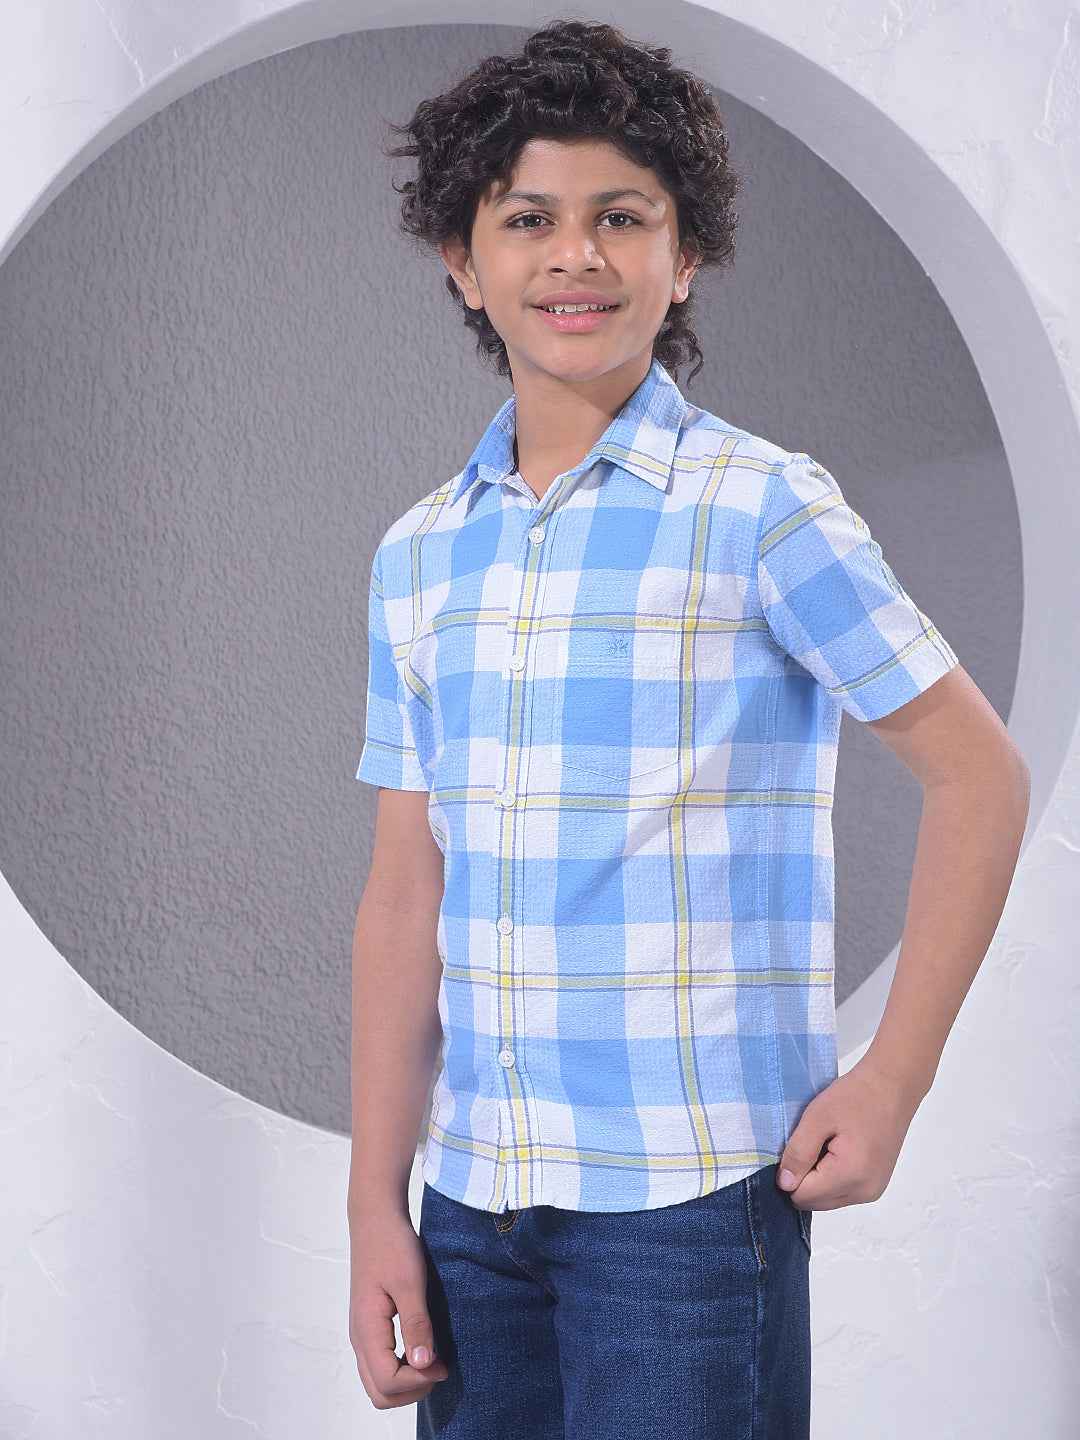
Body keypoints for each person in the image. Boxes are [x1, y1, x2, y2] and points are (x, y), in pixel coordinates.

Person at [346, 17, 1030, 1438]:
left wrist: (893, 1081)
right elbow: (407, 890)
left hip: (689, 1210)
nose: (576, 256)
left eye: (622, 217)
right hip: (474, 1207)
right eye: (528, 219)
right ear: (463, 261)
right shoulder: (420, 554)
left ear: (687, 251)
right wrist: (375, 1206)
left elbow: (979, 774)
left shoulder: (762, 509)